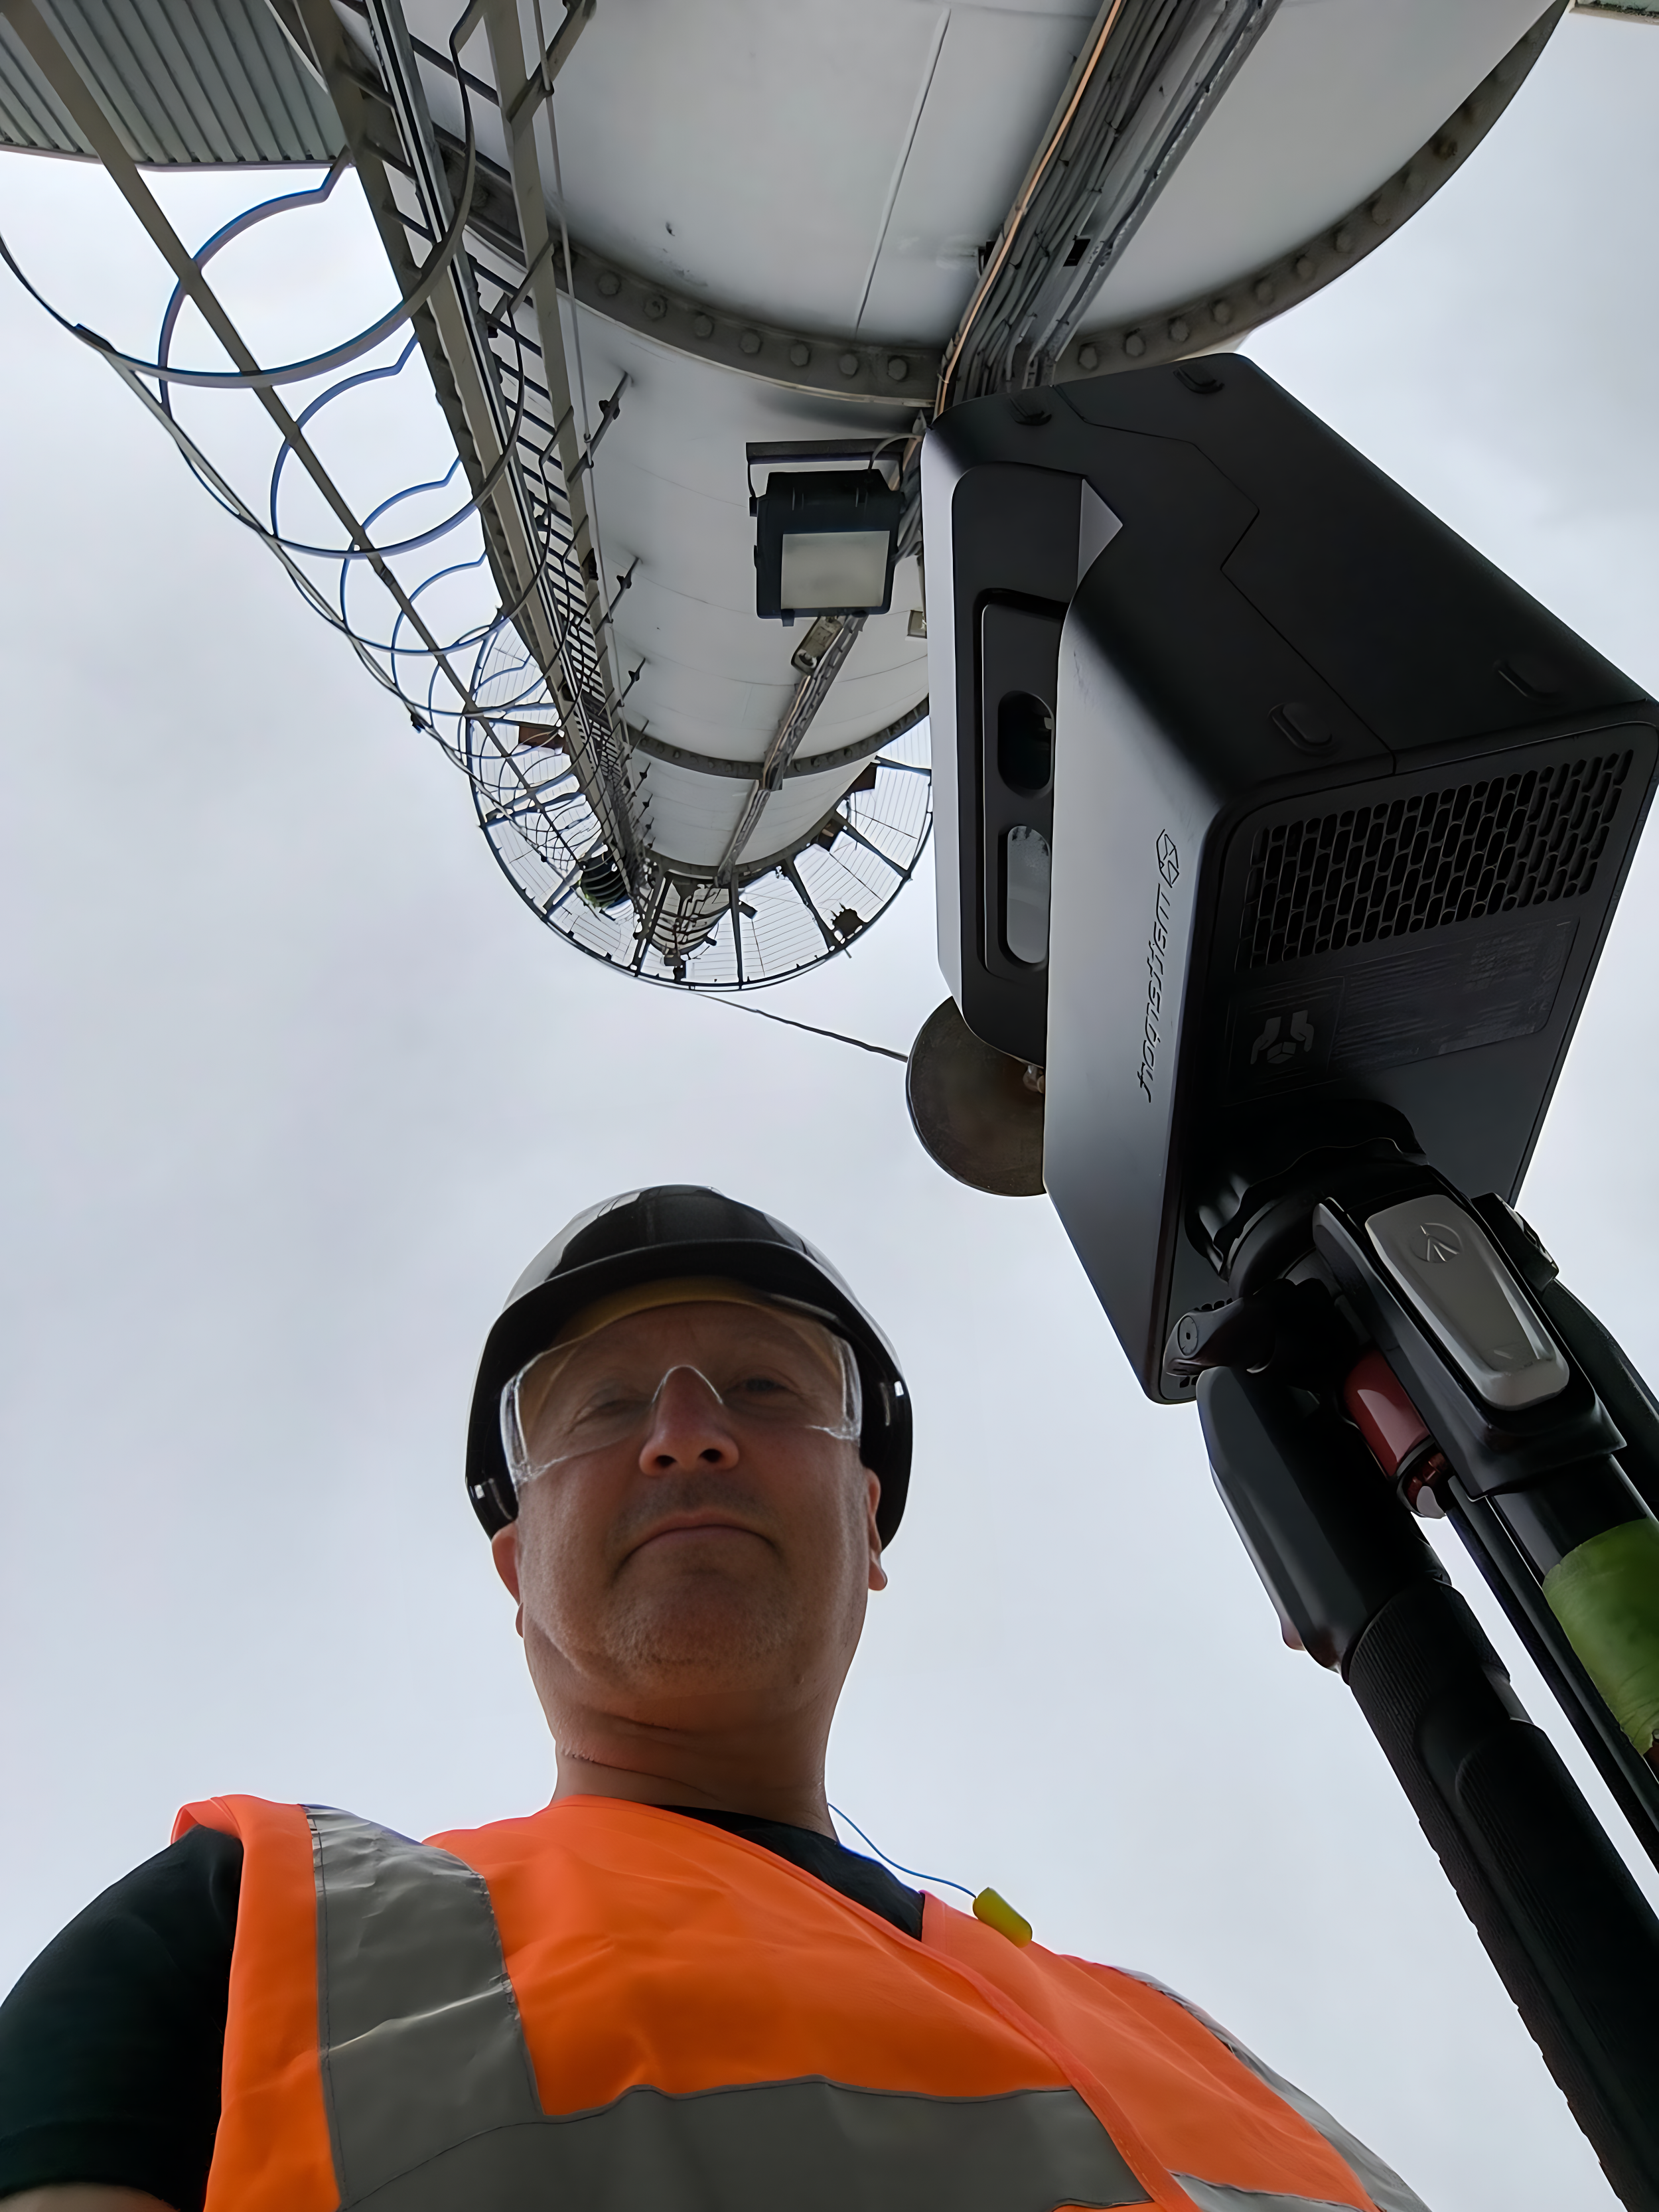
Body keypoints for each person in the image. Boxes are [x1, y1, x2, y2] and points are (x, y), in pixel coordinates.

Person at [0, 1185, 1426, 2212]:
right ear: (516, 1565)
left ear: (869, 1522)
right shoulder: (263, 1923)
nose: (687, 1435)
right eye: (603, 1407)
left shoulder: (1193, 2044)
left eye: (763, 1386)